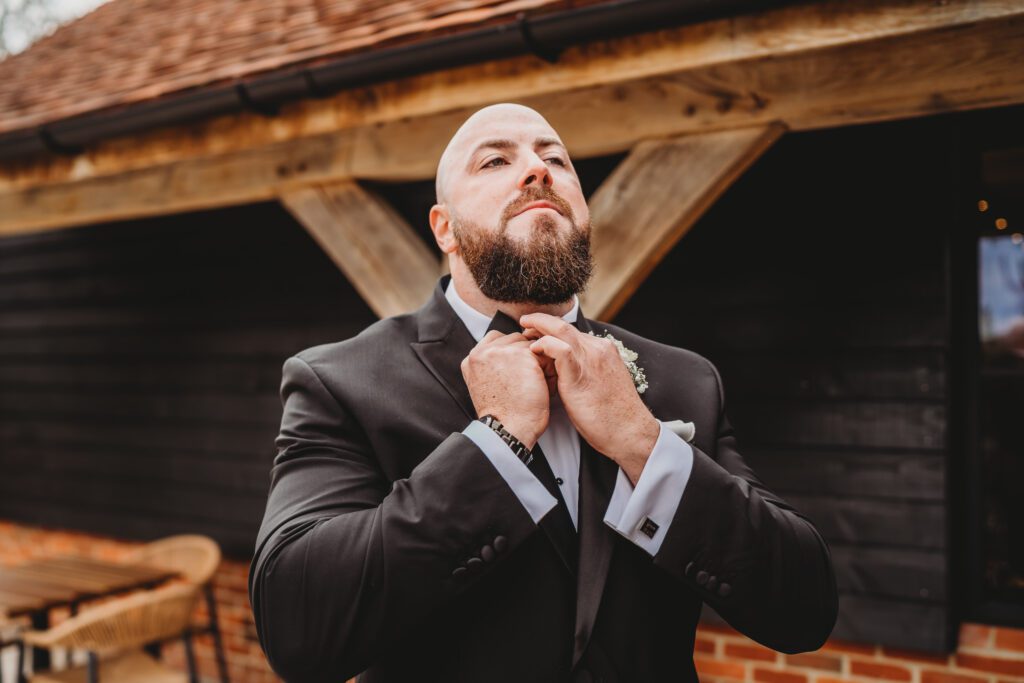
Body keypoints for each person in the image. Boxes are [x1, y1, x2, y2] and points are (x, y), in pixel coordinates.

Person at [248, 103, 838, 683]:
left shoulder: (686, 380)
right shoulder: (342, 379)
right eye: (496, 161)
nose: (538, 170)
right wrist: (496, 444)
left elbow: (803, 608)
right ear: (445, 228)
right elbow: (299, 629)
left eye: (555, 157)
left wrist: (641, 442)